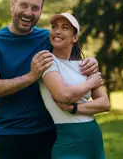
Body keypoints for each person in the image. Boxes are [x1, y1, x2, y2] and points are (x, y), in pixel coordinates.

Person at [0, 0, 99, 159]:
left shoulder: (47, 37)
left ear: (41, 10)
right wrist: (31, 76)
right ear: (13, 5)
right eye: (23, 5)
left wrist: (91, 61)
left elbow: (73, 57)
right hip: (10, 138)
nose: (28, 13)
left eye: (35, 8)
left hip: (49, 135)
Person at [40, 12, 110, 159]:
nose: (57, 31)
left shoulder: (84, 65)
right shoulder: (48, 61)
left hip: (93, 138)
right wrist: (90, 83)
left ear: (74, 37)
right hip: (68, 139)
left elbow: (104, 103)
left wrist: (74, 108)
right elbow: (63, 95)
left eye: (65, 27)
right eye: (54, 27)